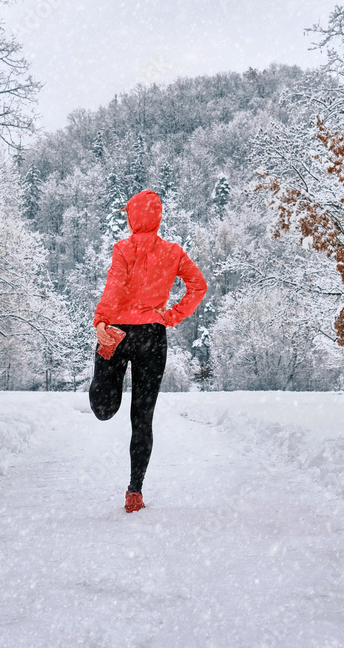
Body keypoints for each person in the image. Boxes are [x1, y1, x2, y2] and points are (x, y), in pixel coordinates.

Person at [90, 189, 207, 513]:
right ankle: (135, 491)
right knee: (142, 418)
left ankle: (102, 357)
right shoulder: (173, 252)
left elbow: (114, 287)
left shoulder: (124, 249)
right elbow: (199, 286)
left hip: (118, 333)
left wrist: (101, 320)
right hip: (153, 338)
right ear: (157, 217)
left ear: (131, 217)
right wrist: (172, 316)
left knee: (104, 409)